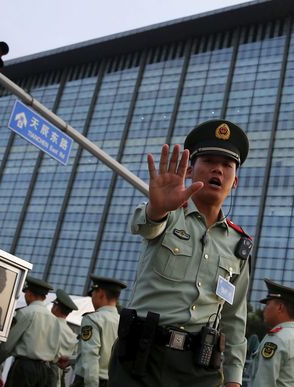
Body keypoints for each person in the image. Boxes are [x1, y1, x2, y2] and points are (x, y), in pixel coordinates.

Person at [108, 119, 252, 387]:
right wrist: (158, 208)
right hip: (141, 360)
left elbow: (234, 318)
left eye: (227, 165)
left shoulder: (239, 244)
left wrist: (233, 379)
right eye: (208, 160)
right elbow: (147, 225)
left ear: (235, 182)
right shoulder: (169, 212)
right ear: (190, 170)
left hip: (199, 369)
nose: (217, 169)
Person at [0, 276, 66, 387]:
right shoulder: (54, 319)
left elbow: (8, 344)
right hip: (44, 370)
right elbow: (56, 351)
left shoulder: (25, 313)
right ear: (44, 297)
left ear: (29, 294)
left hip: (24, 367)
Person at [248, 279, 294, 387]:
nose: (264, 309)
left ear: (280, 307)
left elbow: (263, 383)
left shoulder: (277, 339)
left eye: (267, 304)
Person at [71, 274, 126, 387]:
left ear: (100, 293)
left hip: (91, 382)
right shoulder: (123, 322)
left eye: (93, 293)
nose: (92, 297)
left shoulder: (93, 319)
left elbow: (90, 357)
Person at [51, 288, 80, 387]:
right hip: (59, 375)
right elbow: (76, 358)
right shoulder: (72, 335)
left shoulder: (48, 325)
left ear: (56, 307)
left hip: (44, 370)